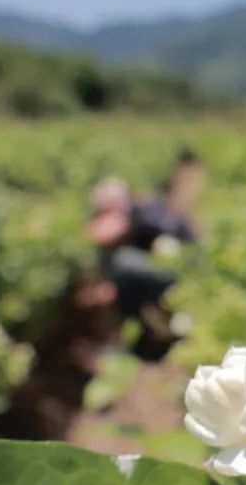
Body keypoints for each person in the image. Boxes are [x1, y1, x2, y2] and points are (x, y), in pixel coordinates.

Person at [84, 148, 205, 359]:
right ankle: (150, 333)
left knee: (123, 266)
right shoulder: (149, 207)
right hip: (184, 268)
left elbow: (105, 233)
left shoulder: (136, 211)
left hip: (182, 273)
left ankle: (138, 337)